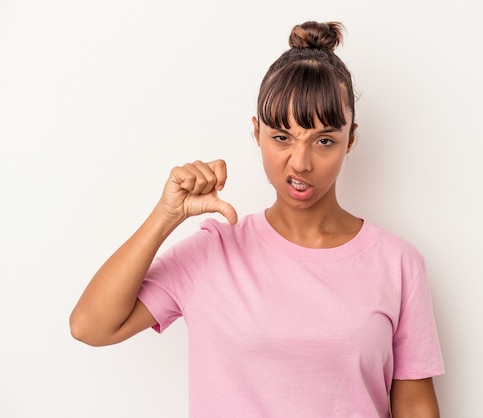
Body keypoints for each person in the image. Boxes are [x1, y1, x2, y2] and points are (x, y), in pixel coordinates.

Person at [70, 21, 444, 418]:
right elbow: (90, 326)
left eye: (324, 140)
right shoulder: (214, 252)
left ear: (350, 138)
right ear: (257, 132)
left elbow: (414, 403)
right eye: (282, 137)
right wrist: (166, 216)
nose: (300, 163)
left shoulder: (398, 264)